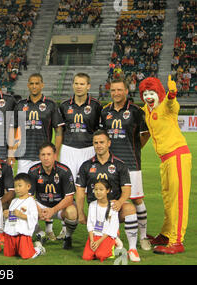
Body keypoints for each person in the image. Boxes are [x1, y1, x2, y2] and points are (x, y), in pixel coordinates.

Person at [139, 76, 192, 254]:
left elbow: (172, 105)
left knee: (178, 199)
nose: (148, 96)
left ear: (159, 93)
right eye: (145, 93)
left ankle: (177, 241)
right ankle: (167, 234)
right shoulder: (146, 109)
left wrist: (172, 94)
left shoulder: (165, 106)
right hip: (165, 159)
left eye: (152, 93)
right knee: (168, 200)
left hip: (177, 155)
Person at [100, 78, 152, 250]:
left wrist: (136, 148)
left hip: (130, 162)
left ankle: (143, 237)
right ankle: (111, 236)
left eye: (119, 90)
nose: (116, 93)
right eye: (113, 90)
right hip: (111, 164)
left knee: (137, 200)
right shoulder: (105, 110)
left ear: (126, 91)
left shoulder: (136, 111)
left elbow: (145, 134)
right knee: (111, 199)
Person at [76, 130, 141, 262]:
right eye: (96, 143)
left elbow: (127, 190)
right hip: (96, 211)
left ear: (109, 143)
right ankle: (112, 237)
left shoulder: (119, 165)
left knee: (130, 209)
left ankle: (132, 248)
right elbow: (80, 191)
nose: (98, 145)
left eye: (102, 142)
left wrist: (120, 202)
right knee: (92, 255)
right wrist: (81, 212)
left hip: (115, 209)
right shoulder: (86, 165)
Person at [57, 73, 102, 239]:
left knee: (91, 188)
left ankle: (95, 226)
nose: (78, 86)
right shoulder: (63, 105)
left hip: (88, 149)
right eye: (76, 83)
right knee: (66, 188)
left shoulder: (96, 106)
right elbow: (60, 131)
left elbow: (100, 131)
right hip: (68, 149)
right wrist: (57, 150)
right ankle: (65, 228)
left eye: (82, 83)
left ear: (88, 86)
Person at [28, 142, 78, 249]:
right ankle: (40, 233)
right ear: (39, 156)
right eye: (43, 155)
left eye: (49, 154)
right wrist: (38, 210)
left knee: (72, 212)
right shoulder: (33, 171)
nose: (46, 158)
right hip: (41, 205)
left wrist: (53, 210)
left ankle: (68, 237)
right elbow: (29, 196)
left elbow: (69, 198)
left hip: (59, 206)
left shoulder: (64, 170)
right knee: (24, 208)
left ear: (55, 155)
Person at [13, 73, 64, 174]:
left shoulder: (50, 105)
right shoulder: (20, 105)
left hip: (44, 155)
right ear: (28, 85)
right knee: (24, 188)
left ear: (42, 85)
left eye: (37, 83)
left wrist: (56, 154)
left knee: (43, 187)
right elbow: (14, 129)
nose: (34, 86)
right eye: (31, 83)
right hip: (24, 155)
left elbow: (58, 131)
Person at [3, 173, 46, 259]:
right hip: (11, 231)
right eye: (15, 186)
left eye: (20, 186)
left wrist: (21, 215)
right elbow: (12, 216)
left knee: (27, 255)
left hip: (22, 232)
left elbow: (34, 217)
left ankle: (38, 249)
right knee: (8, 254)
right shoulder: (14, 201)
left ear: (28, 186)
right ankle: (18, 248)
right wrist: (6, 215)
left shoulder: (31, 201)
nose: (17, 189)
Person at [82, 179, 120, 262]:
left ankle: (115, 244)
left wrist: (99, 241)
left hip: (106, 235)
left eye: (101, 189)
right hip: (95, 234)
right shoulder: (92, 205)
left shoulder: (113, 206)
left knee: (101, 255)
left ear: (107, 190)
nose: (98, 192)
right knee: (86, 257)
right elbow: (90, 224)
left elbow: (113, 226)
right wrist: (92, 240)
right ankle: (100, 248)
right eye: (96, 189)